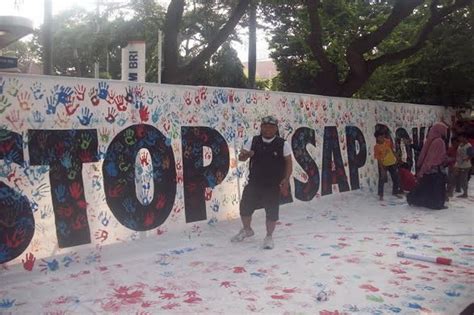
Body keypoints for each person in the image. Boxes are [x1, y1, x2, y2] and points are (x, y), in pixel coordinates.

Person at [231, 115, 292, 249]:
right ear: (261, 127)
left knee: (271, 212)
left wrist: (286, 179)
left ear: (276, 129)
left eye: (271, 127)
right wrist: (246, 155)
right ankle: (247, 230)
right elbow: (241, 158)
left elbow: (288, 162)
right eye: (265, 126)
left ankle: (269, 236)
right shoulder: (253, 141)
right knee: (244, 208)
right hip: (254, 183)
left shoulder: (283, 144)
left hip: (272, 185)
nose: (268, 129)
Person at [407, 122, 448, 209]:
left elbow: (425, 156)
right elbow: (431, 158)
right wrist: (422, 171)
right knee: (436, 189)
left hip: (430, 170)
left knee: (426, 188)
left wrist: (422, 169)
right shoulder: (438, 141)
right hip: (436, 170)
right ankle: (435, 204)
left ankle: (417, 200)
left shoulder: (431, 140)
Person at [374, 130, 402, 200]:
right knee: (382, 179)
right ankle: (381, 195)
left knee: (395, 177)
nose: (382, 138)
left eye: (383, 136)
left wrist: (396, 157)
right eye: (380, 137)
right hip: (384, 164)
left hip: (392, 162)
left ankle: (395, 192)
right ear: (377, 138)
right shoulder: (376, 147)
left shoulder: (388, 141)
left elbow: (391, 150)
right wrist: (382, 168)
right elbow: (378, 158)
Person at [453, 132, 473, 198]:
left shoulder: (469, 146)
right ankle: (457, 189)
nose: (460, 138)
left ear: (464, 138)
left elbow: (471, 155)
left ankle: (465, 193)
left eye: (461, 137)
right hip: (458, 164)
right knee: (457, 177)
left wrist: (466, 159)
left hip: (465, 165)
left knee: (464, 179)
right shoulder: (460, 144)